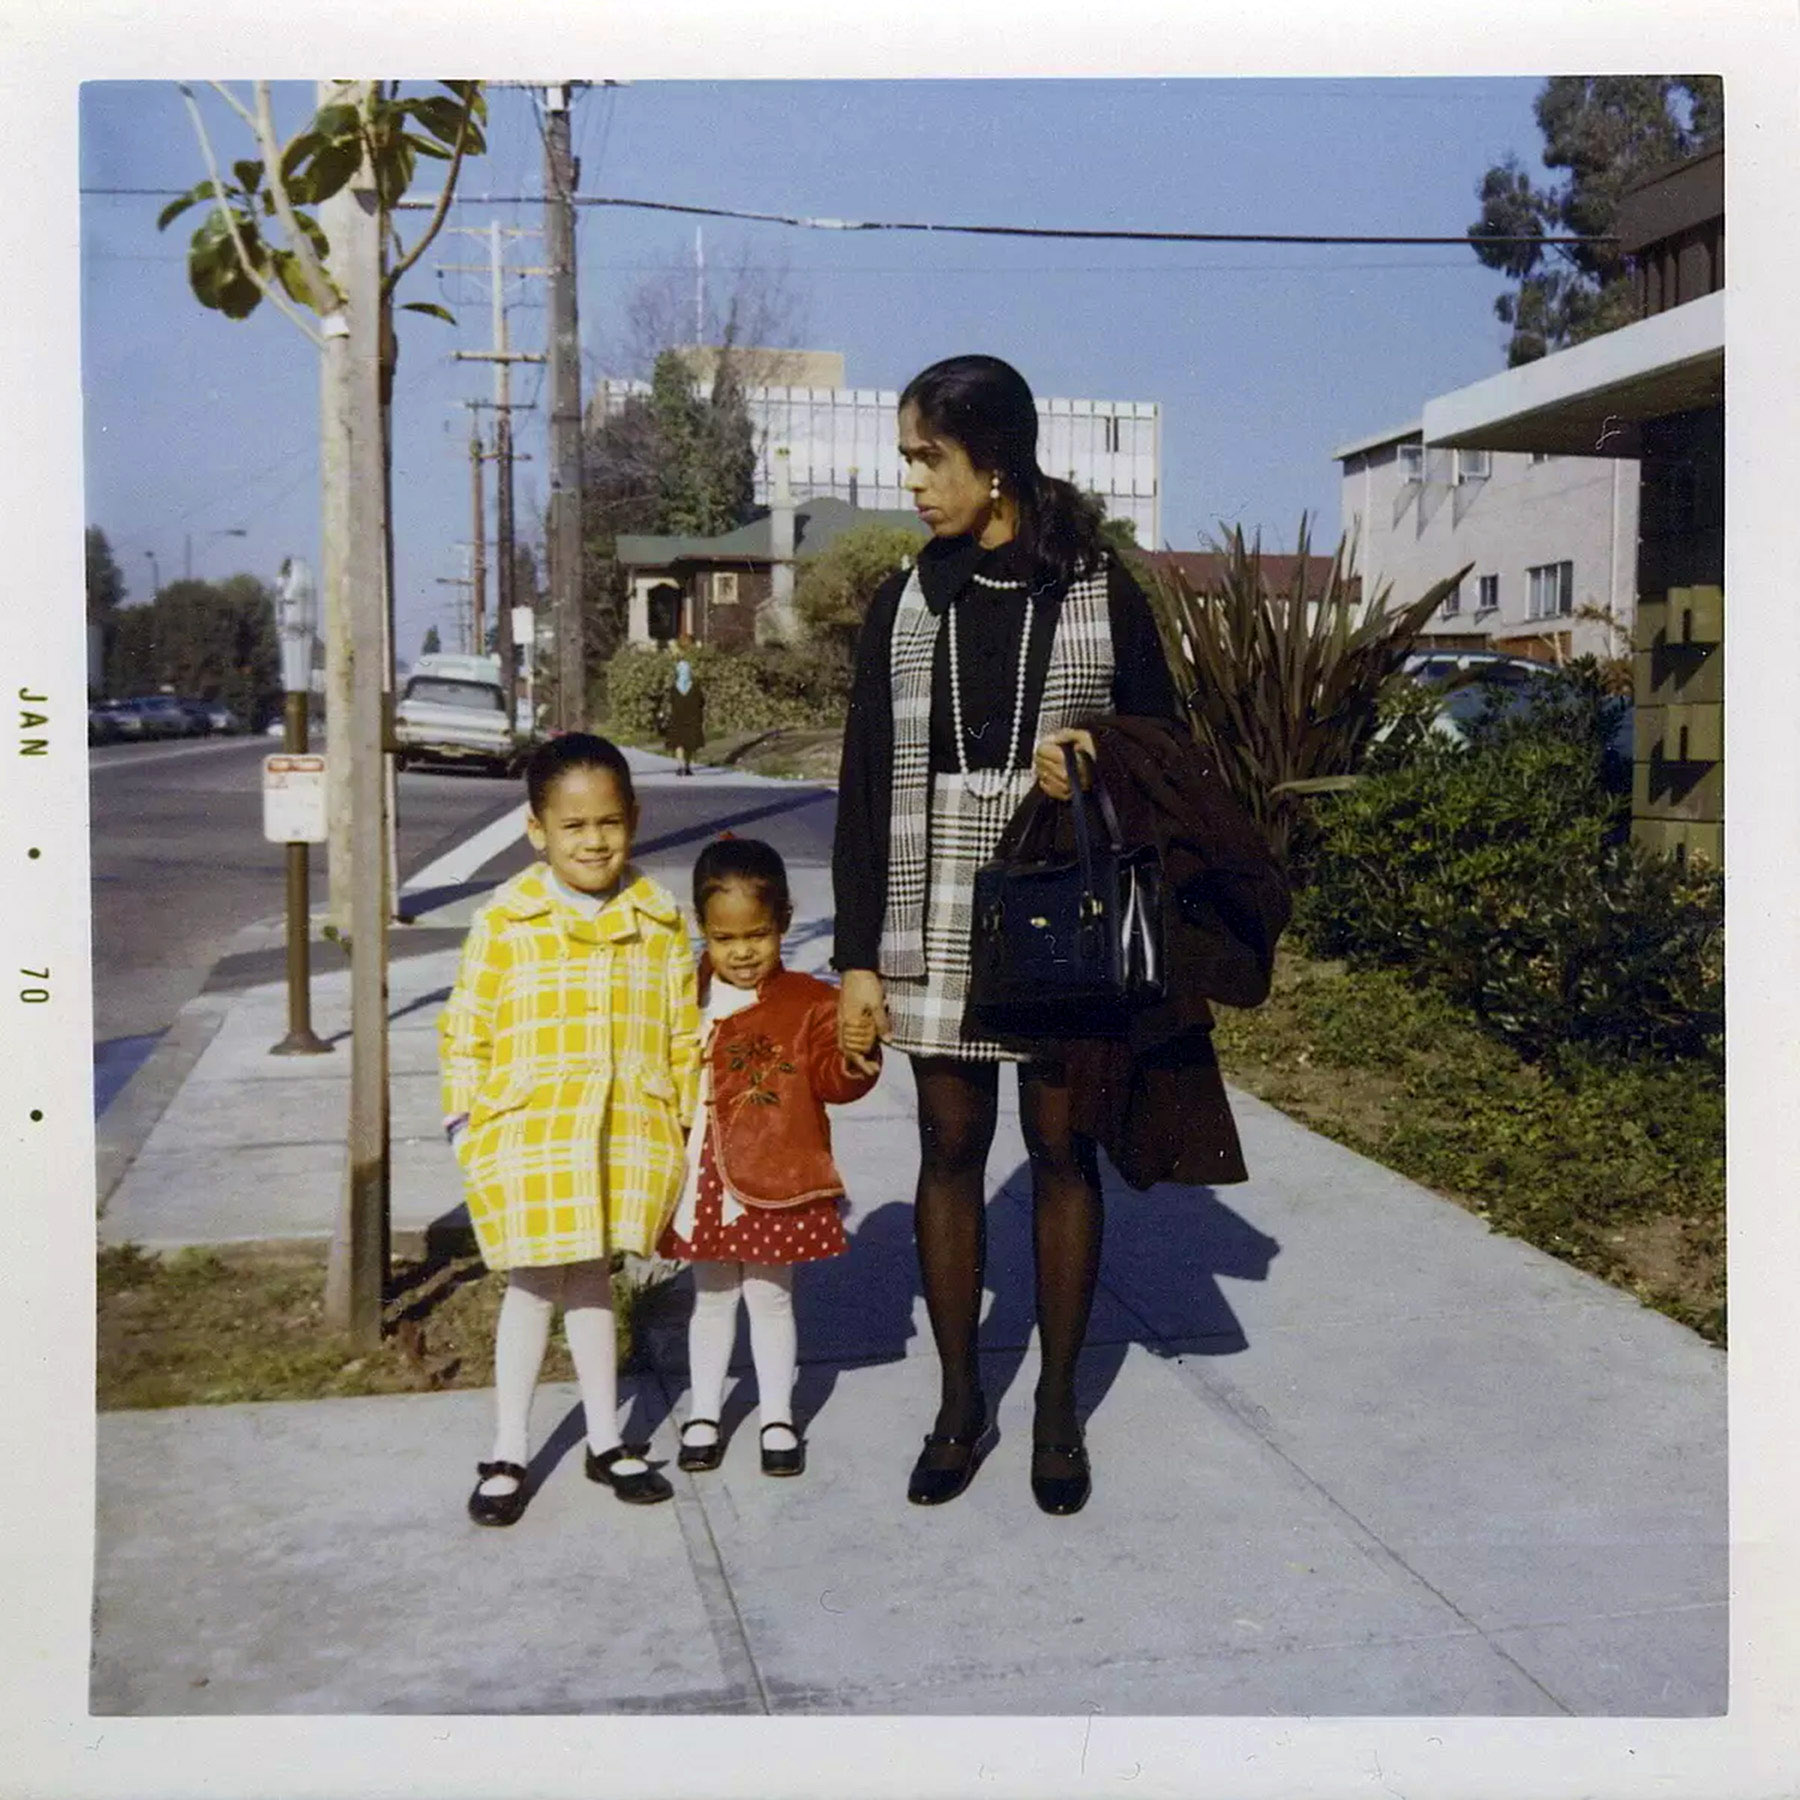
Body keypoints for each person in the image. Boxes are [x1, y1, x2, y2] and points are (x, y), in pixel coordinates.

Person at [832, 354, 1182, 1516]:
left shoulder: (1097, 587)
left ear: (997, 459)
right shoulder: (907, 597)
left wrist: (1089, 754)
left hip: (1056, 898)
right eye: (909, 462)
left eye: (930, 460)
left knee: (1062, 1150)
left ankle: (1056, 1408)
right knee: (945, 1149)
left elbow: (1166, 747)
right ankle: (958, 1402)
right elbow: (865, 781)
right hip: (929, 897)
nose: (915, 485)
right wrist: (854, 965)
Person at [440, 732, 701, 1527]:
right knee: (529, 1284)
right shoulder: (507, 920)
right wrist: (465, 1122)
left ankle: (604, 1437)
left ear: (633, 818)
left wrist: (683, 1121)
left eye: (610, 823)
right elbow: (467, 1028)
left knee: (594, 1279)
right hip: (530, 1133)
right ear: (538, 831)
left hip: (622, 1130)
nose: (594, 841)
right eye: (575, 826)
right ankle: (510, 1447)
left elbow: (682, 1030)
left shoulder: (659, 921)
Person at [658, 837, 880, 1476]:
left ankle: (778, 1414)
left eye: (758, 934)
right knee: (712, 1297)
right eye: (725, 940)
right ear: (703, 931)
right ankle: (704, 1411)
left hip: (775, 1175)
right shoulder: (683, 994)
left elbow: (835, 1082)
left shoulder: (810, 1001)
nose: (743, 952)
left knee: (771, 1297)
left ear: (783, 921)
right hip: (702, 1175)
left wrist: (855, 1051)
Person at [662, 640, 706, 777]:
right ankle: (687, 766)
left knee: (679, 743)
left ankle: (680, 766)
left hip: (677, 718)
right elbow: (701, 702)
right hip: (692, 719)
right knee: (689, 744)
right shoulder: (695, 687)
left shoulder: (674, 688)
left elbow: (670, 702)